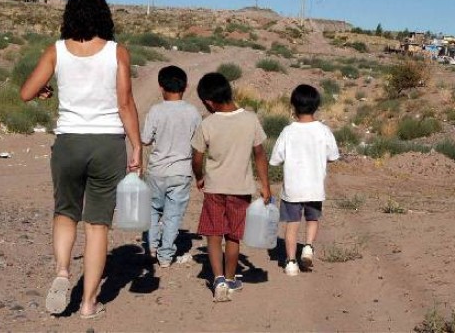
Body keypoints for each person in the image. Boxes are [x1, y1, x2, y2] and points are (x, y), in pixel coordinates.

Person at [20, 0, 142, 318]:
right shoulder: (117, 51)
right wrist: (137, 146)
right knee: (98, 224)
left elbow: (27, 93)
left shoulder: (56, 51)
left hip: (69, 141)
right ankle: (88, 303)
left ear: (70, 14)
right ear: (104, 14)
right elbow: (125, 102)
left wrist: (46, 89)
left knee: (65, 211)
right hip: (107, 144)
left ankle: (62, 272)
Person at [191, 72, 271, 302]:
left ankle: (217, 280)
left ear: (208, 101)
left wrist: (199, 176)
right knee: (233, 236)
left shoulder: (207, 123)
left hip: (214, 188)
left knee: (214, 234)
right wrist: (265, 185)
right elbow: (259, 154)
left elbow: (197, 158)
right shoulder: (250, 119)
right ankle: (230, 278)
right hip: (241, 190)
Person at [269, 84, 339, 276]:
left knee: (292, 225)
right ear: (317, 105)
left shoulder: (288, 131)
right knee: (312, 219)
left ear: (293, 106)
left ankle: (291, 262)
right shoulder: (323, 131)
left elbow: (275, 159)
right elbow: (333, 155)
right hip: (314, 188)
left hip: (293, 189)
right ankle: (308, 247)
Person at [141, 65, 201, 268]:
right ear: (185, 86)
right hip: (182, 172)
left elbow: (146, 139)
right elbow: (198, 143)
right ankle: (166, 256)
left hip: (157, 170)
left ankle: (151, 246)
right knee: (173, 214)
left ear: (161, 87)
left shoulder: (156, 111)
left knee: (152, 210)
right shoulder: (193, 112)